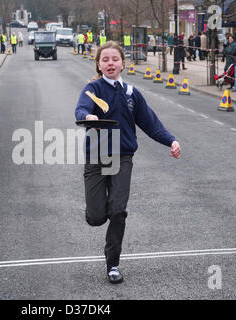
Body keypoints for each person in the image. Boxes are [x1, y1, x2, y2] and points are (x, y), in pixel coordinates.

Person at [74, 41, 181, 284]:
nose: (110, 63)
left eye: (114, 59)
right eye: (105, 60)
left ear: (123, 63)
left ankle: (113, 264)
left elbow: (150, 123)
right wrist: (87, 116)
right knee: (96, 217)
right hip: (97, 156)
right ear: (99, 65)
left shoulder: (132, 93)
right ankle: (95, 210)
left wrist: (171, 141)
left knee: (118, 211)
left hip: (122, 157)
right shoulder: (92, 89)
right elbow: (81, 109)